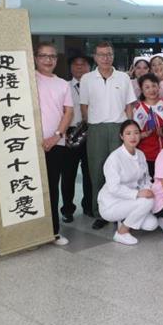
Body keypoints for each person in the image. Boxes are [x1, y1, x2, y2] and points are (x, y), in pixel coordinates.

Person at [80, 41, 136, 229]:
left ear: (113, 56)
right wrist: (91, 124)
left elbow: (129, 106)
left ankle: (121, 211)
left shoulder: (123, 78)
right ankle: (100, 213)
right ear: (95, 57)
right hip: (96, 129)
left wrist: (129, 130)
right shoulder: (87, 78)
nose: (105, 58)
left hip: (119, 128)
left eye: (109, 54)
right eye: (101, 54)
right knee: (97, 172)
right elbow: (84, 106)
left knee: (120, 172)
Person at [35, 42, 74, 245]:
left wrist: (56, 135)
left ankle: (53, 232)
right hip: (28, 144)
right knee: (31, 188)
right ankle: (30, 234)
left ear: (57, 60)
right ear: (36, 58)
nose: (48, 60)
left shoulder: (63, 84)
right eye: (43, 56)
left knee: (51, 188)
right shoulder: (28, 79)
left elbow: (69, 112)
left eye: (52, 56)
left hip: (55, 144)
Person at [98, 120, 158, 245]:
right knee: (147, 202)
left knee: (152, 224)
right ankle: (122, 232)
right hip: (111, 203)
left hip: (129, 201)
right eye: (128, 133)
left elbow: (146, 178)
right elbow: (114, 188)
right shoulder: (114, 158)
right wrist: (138, 194)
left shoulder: (140, 154)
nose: (133, 137)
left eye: (136, 133)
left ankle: (124, 219)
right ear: (121, 136)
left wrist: (148, 189)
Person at [64, 54, 92, 221]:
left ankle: (88, 206)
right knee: (68, 173)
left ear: (90, 67)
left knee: (90, 173)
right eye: (75, 64)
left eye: (83, 64)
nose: (79, 67)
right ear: (70, 67)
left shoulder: (95, 87)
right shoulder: (64, 86)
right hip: (71, 132)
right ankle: (67, 209)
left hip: (91, 132)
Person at [134, 73, 163, 177]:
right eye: (147, 87)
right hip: (146, 156)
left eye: (154, 85)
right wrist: (143, 135)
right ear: (141, 90)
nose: (151, 90)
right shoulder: (137, 109)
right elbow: (133, 135)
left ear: (159, 87)